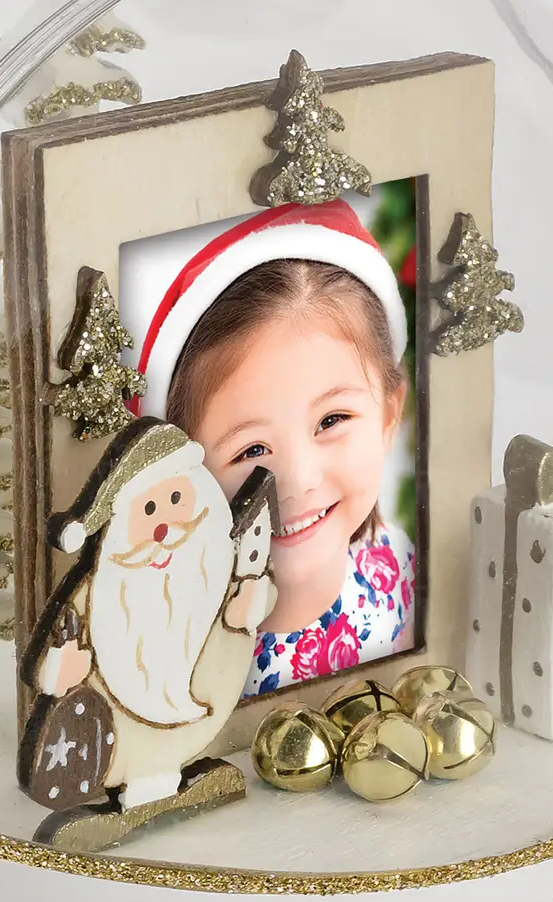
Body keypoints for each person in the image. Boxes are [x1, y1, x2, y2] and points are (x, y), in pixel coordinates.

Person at [127, 199, 416, 697]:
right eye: (251, 450)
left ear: (389, 416)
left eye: (332, 420)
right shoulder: (169, 650)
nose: (299, 479)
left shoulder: (401, 571)